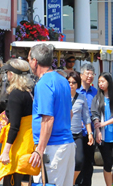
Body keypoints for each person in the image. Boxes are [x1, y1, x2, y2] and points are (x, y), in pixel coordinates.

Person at [28, 43, 75, 186]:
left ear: (35, 61)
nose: (28, 63)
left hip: (53, 147)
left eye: (29, 59)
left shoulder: (43, 84)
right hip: (67, 144)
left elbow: (48, 119)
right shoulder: (62, 80)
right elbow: (70, 113)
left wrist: (39, 150)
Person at [0, 59, 34, 186]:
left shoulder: (16, 94)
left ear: (12, 74)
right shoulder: (29, 91)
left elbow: (15, 126)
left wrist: (6, 151)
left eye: (8, 72)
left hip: (18, 145)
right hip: (27, 142)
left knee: (12, 180)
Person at [91, 72, 113, 186]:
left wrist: (104, 123)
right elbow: (94, 115)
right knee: (107, 163)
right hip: (103, 138)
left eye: (103, 81)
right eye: (99, 82)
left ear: (109, 82)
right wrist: (97, 131)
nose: (100, 84)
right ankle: (109, 185)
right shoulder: (97, 98)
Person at [67, 71, 93, 185]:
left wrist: (90, 133)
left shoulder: (82, 98)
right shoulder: (63, 96)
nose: (71, 84)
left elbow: (86, 117)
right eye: (69, 82)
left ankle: (72, 182)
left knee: (79, 160)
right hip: (64, 134)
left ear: (77, 84)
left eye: (73, 82)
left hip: (77, 133)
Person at [76, 63, 98, 186]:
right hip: (77, 132)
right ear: (81, 75)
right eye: (87, 73)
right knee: (78, 161)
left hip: (91, 133)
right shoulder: (75, 91)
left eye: (92, 74)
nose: (90, 76)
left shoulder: (95, 92)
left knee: (89, 162)